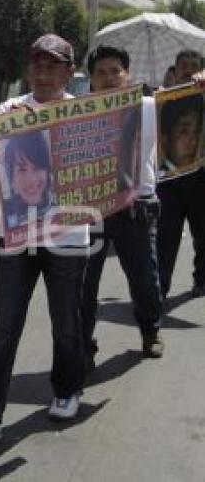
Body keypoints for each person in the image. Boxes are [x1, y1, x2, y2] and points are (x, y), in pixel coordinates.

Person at [0, 34, 88, 442]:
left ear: (69, 71)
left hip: (69, 237)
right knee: (5, 326)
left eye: (53, 65)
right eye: (37, 64)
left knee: (66, 323)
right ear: (27, 69)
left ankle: (67, 390)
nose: (44, 72)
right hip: (16, 236)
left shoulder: (84, 114)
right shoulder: (7, 111)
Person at [81, 45, 165, 371]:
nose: (109, 78)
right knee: (83, 285)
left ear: (128, 75)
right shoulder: (77, 112)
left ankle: (150, 331)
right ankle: (83, 347)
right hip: (92, 211)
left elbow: (187, 106)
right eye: (101, 72)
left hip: (137, 207)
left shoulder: (149, 106)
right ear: (91, 80)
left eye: (115, 71)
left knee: (145, 279)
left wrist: (199, 83)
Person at [157, 50, 205, 298]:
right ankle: (160, 289)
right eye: (183, 65)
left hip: (200, 179)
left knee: (203, 234)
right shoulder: (161, 100)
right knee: (166, 236)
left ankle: (202, 279)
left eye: (193, 65)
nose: (188, 70)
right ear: (174, 71)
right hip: (169, 180)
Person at [1, 131, 55, 229]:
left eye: (38, 167)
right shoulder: (1, 212)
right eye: (22, 170)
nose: (32, 180)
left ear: (47, 171)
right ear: (11, 178)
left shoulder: (64, 206)